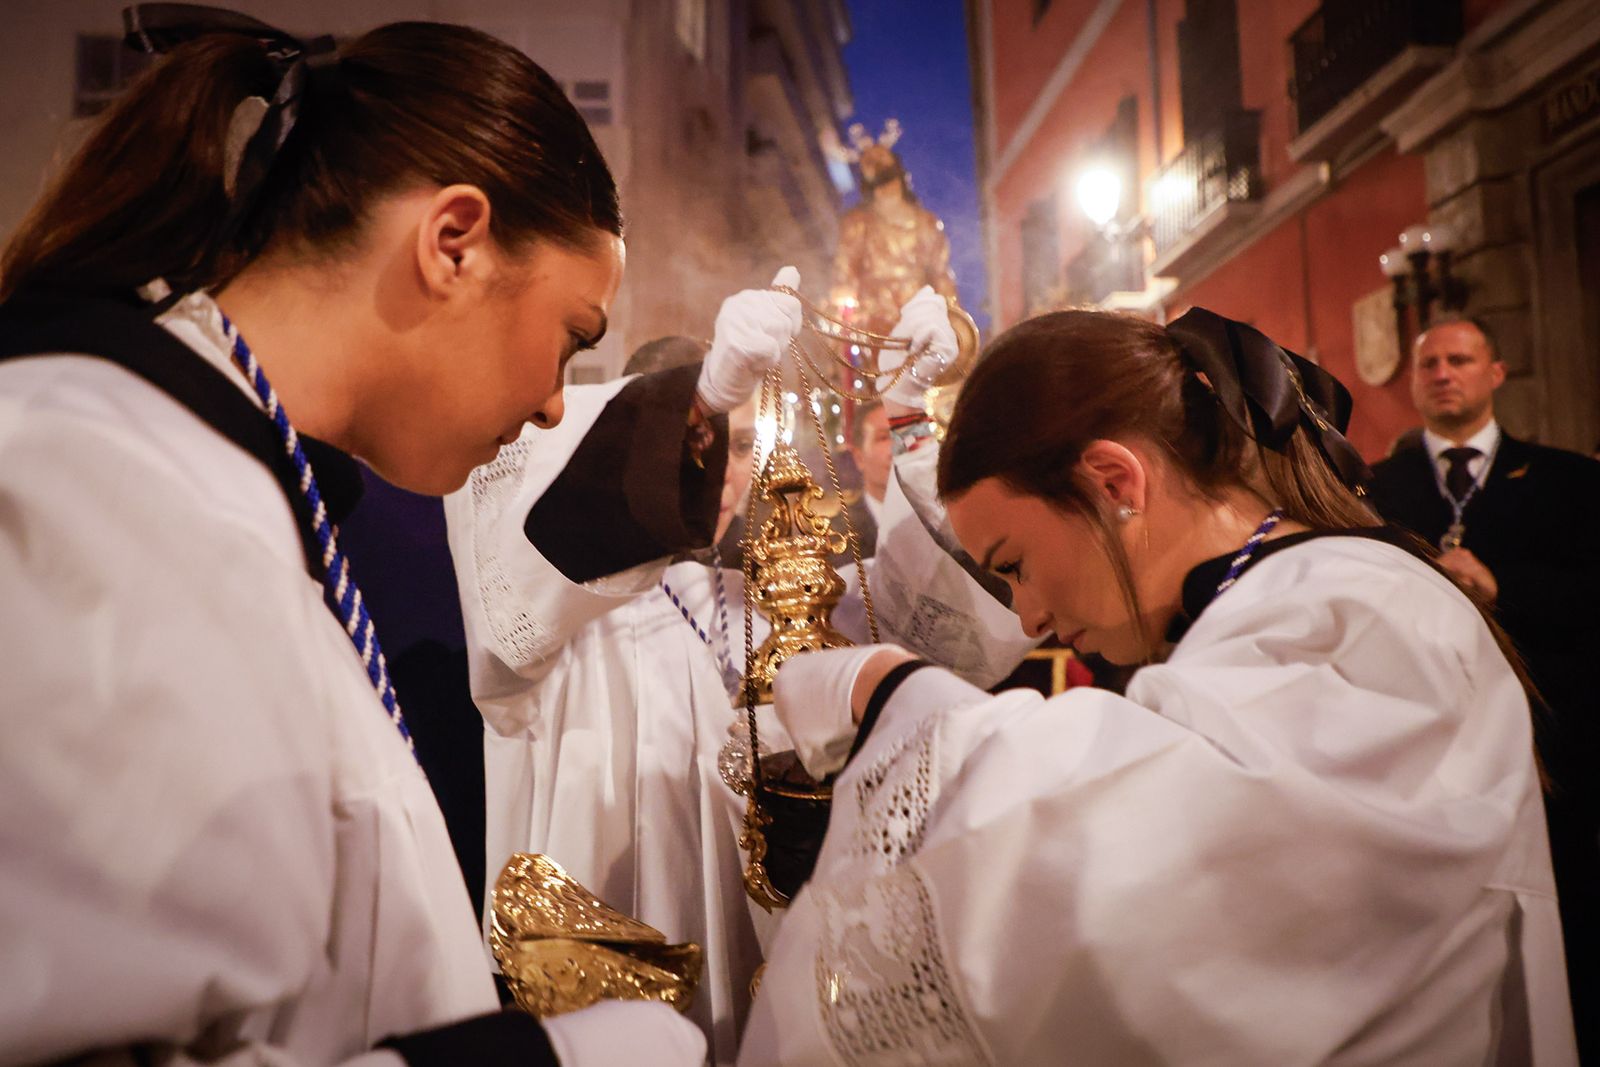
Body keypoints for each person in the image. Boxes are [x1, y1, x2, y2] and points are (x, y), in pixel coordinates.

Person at [0, 7, 705, 1064]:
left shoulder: (235, 479)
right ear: (452, 242)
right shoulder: (100, 476)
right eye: (572, 337)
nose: (559, 405)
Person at [739, 308, 1576, 1065]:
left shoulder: (1358, 613)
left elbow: (1136, 871)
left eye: (1017, 565)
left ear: (1114, 482)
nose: (1027, 615)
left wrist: (893, 694)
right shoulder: (1289, 601)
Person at [443, 290, 787, 1065]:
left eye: (737, 448)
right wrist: (695, 405)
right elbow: (516, 601)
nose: (720, 475)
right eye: (701, 439)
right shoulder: (554, 589)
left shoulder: (748, 602)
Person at [1367, 316, 1600, 1060]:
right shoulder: (1372, 489)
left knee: (1570, 926)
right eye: (1428, 362)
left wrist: (1505, 586)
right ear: (1412, 380)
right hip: (1429, 749)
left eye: (1459, 359)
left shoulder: (1571, 480)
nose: (1442, 372)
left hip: (1556, 743)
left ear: (1495, 372)